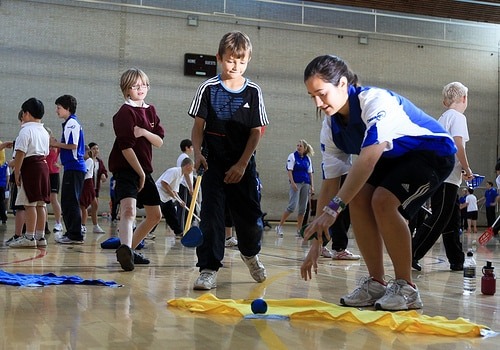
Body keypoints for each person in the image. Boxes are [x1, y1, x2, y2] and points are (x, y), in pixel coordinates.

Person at [300, 55, 456, 311]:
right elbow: (331, 183)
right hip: (392, 157)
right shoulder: (330, 127)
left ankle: (407, 288)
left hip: (432, 153)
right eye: (311, 96)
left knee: (383, 201)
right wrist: (317, 241)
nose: (317, 102)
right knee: (359, 198)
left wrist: (333, 209)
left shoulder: (374, 101)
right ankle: (376, 283)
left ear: (341, 84)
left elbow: (368, 159)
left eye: (321, 93)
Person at [188, 31, 269, 290]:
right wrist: (197, 153)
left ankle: (250, 254)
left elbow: (257, 132)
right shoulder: (208, 88)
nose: (235, 66)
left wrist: (242, 164)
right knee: (211, 217)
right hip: (213, 164)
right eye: (231, 60)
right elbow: (198, 126)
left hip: (243, 165)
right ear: (219, 58)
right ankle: (208, 269)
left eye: (242, 61)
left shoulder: (254, 92)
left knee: (250, 219)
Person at [411, 82, 471, 272]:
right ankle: (412, 252)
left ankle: (456, 259)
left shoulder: (442, 118)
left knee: (451, 219)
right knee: (440, 217)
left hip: (443, 175)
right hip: (446, 177)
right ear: (464, 98)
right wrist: (467, 168)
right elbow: (458, 145)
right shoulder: (458, 117)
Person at [108, 67, 164, 271]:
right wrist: (139, 173)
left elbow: (159, 141)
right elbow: (125, 147)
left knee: (155, 215)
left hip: (145, 170)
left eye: (144, 85)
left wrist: (143, 132)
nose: (141, 89)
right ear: (126, 89)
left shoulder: (151, 111)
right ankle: (125, 248)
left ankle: (128, 251)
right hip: (126, 170)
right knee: (129, 210)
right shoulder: (124, 113)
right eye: (135, 85)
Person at [9, 98, 50, 248]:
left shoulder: (26, 130)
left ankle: (29, 237)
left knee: (29, 205)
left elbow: (20, 153)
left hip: (30, 168)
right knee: (41, 204)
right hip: (43, 167)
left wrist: (17, 173)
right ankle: (40, 237)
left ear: (26, 113)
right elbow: (46, 152)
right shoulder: (44, 131)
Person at [50, 94, 87, 244]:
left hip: (75, 168)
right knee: (68, 200)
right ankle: (72, 232)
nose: (57, 110)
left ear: (68, 108)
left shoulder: (72, 123)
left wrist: (55, 144)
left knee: (70, 201)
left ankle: (74, 235)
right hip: (72, 167)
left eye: (59, 108)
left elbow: (73, 146)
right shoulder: (69, 123)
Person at [275, 140, 315, 237]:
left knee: (303, 208)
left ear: (305, 148)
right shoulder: (292, 156)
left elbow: (310, 173)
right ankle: (279, 226)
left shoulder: (307, 159)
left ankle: (299, 230)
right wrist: (292, 182)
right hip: (296, 183)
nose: (298, 147)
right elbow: (289, 170)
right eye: (297, 145)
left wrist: (312, 186)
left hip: (305, 183)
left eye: (300, 146)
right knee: (292, 206)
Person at [156, 157, 194, 237]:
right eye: (192, 167)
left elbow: (175, 191)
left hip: (166, 197)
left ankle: (179, 232)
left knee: (172, 215)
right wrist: (171, 193)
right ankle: (149, 232)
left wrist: (180, 201)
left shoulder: (181, 175)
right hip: (158, 195)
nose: (193, 169)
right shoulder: (174, 171)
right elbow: (164, 183)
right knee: (156, 215)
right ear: (188, 165)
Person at [45, 128, 63, 233]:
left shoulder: (56, 144)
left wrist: (60, 164)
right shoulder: (41, 143)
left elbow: (66, 153)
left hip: (54, 174)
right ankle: (44, 223)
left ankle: (58, 223)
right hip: (43, 173)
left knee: (53, 198)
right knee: (42, 200)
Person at [88, 142, 108, 233]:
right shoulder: (87, 160)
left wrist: (103, 175)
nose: (96, 151)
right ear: (89, 150)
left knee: (92, 207)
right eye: (93, 149)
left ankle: (81, 220)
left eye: (97, 148)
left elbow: (103, 171)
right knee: (95, 205)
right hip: (88, 187)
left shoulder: (99, 162)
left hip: (96, 188)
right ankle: (95, 226)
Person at [176, 139, 194, 229]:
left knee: (184, 207)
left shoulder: (182, 157)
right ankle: (182, 229)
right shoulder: (185, 158)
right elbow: (186, 173)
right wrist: (191, 188)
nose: (192, 149)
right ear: (187, 147)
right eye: (191, 147)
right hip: (184, 186)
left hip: (183, 186)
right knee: (184, 208)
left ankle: (183, 228)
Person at [79, 146, 96, 233]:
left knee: (83, 205)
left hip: (87, 183)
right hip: (82, 183)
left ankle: (83, 225)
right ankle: (80, 223)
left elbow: (84, 170)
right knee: (81, 205)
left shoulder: (89, 161)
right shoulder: (83, 161)